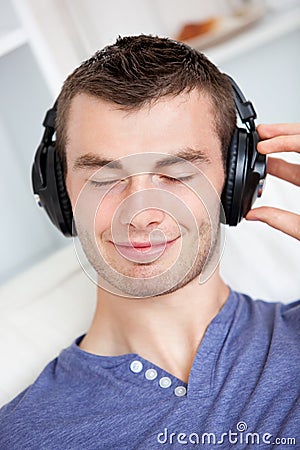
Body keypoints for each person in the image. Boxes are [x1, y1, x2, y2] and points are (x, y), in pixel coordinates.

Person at [0, 35, 299, 449]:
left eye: (176, 174)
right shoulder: (19, 436)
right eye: (104, 177)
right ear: (59, 194)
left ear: (237, 182)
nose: (140, 213)